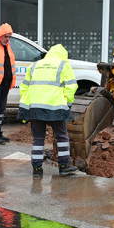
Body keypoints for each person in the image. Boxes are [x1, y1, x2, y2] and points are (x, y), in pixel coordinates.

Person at [18, 44, 78, 177]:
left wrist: (28, 105)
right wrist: (67, 105)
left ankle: (37, 170)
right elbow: (71, 87)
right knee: (62, 137)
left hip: (35, 108)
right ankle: (63, 166)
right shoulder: (63, 65)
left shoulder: (34, 65)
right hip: (55, 107)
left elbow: (24, 88)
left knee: (38, 139)